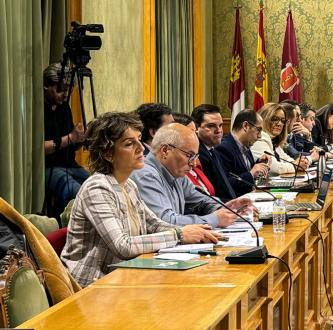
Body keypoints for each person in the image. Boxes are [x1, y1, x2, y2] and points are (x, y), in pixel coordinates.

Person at [61, 112, 222, 287]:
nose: (141, 148)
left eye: (139, 139)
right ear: (108, 154)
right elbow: (123, 245)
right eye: (130, 143)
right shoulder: (97, 188)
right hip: (92, 285)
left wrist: (198, 232)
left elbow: (153, 224)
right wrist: (180, 234)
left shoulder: (128, 185)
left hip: (124, 276)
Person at [132, 123, 252, 228]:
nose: (193, 164)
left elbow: (201, 202)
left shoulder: (176, 173)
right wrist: (214, 220)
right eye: (189, 155)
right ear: (165, 150)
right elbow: (164, 221)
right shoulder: (146, 175)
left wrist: (225, 208)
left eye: (195, 156)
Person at [42, 63, 89, 209]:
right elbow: (39, 148)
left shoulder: (64, 107)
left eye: (69, 89)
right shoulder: (38, 109)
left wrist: (82, 139)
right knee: (73, 190)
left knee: (96, 186)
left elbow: (71, 143)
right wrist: (70, 138)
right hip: (49, 167)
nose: (66, 94)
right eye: (61, 89)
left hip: (70, 165)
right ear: (46, 86)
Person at [215, 109, 271, 196]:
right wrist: (251, 174)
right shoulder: (223, 148)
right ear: (245, 126)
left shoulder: (245, 145)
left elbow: (244, 171)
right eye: (258, 130)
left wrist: (259, 164)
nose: (260, 136)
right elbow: (225, 184)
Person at [191, 103, 237, 200]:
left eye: (220, 125)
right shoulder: (198, 155)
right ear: (196, 128)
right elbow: (209, 196)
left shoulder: (212, 149)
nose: (219, 130)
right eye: (211, 126)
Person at [253, 103, 309, 175]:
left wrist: (300, 163)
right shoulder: (259, 138)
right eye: (275, 119)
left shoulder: (274, 141)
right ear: (265, 119)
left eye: (282, 121)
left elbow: (286, 158)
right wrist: (296, 166)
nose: (279, 124)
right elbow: (274, 168)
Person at [172, 113, 215, 196]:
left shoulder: (196, 162)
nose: (195, 137)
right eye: (191, 133)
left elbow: (207, 198)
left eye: (196, 133)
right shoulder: (176, 170)